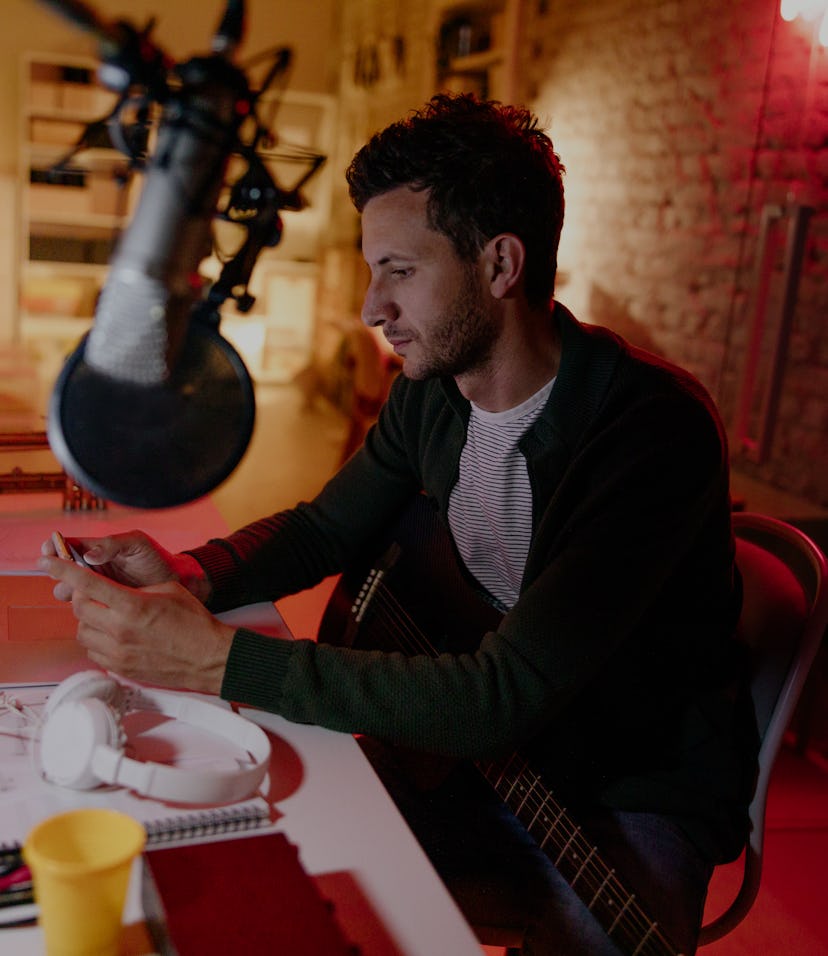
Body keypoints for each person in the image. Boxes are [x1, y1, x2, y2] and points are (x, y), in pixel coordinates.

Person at [40, 93, 758, 956]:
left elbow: (500, 697)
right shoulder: (431, 392)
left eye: (400, 271)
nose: (372, 306)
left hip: (623, 789)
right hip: (484, 755)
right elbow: (321, 530)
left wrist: (218, 659)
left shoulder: (649, 433)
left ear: (500, 264)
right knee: (264, 866)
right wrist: (191, 575)